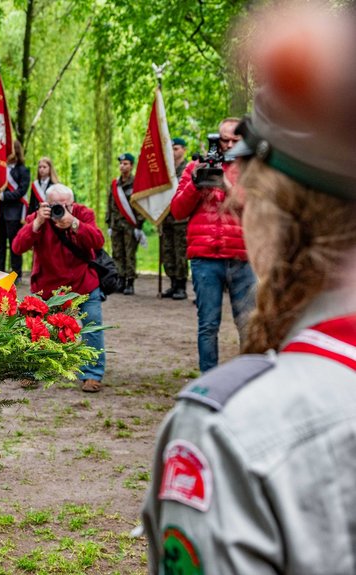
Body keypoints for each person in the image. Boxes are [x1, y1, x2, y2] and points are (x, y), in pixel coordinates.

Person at [143, 3, 356, 573]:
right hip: (210, 264)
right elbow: (177, 213)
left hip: (240, 276)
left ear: (282, 201)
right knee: (210, 327)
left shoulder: (232, 430)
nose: (237, 196)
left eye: (249, 176)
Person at [170, 119, 256, 373]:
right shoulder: (195, 166)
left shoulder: (253, 169)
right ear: (215, 138)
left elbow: (256, 210)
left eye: (234, 141)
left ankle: (248, 378)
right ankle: (208, 378)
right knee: (208, 324)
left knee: (247, 323)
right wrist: (196, 185)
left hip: (242, 256)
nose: (228, 145)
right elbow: (177, 211)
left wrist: (226, 184)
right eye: (224, 140)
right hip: (205, 257)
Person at [12, 184, 107, 393]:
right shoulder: (40, 218)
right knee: (35, 330)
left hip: (83, 284)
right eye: (56, 205)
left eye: (66, 205)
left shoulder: (83, 214)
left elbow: (98, 241)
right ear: (47, 204)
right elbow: (17, 247)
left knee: (93, 326)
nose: (61, 210)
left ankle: (92, 374)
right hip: (48, 289)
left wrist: (74, 223)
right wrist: (36, 223)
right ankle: (32, 371)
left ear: (73, 204)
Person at [0, 140, 30, 279]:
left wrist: (4, 196)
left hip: (14, 213)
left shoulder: (23, 170)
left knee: (14, 245)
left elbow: (21, 191)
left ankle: (15, 275)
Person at [105, 153, 144, 295]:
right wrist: (109, 222)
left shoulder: (137, 183)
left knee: (129, 254)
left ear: (131, 165)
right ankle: (120, 280)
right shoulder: (115, 184)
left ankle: (130, 282)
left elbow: (140, 205)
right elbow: (110, 204)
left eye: (126, 164)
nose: (122, 166)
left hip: (130, 225)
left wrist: (139, 225)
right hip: (116, 224)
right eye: (121, 164)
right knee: (117, 253)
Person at [158, 138, 190, 300]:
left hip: (182, 219)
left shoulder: (188, 169)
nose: (173, 152)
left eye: (176, 148)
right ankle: (172, 282)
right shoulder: (166, 171)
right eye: (171, 149)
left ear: (184, 150)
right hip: (167, 217)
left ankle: (181, 285)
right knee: (168, 251)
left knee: (180, 252)